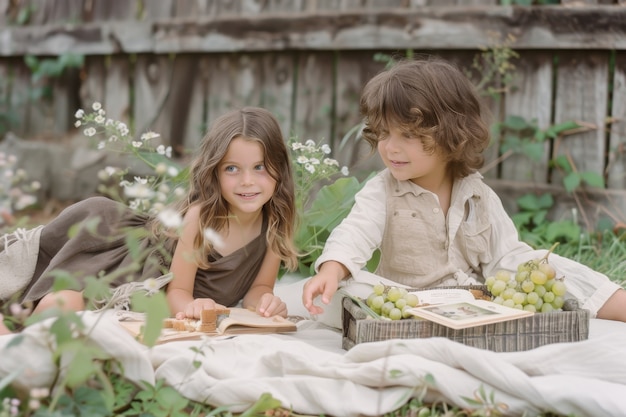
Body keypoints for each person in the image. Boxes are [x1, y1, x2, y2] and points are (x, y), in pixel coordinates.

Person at [302, 57, 626, 324]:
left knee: (547, 266)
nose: (391, 147)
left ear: (451, 134)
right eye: (384, 134)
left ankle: (615, 303)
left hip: (472, 302)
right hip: (406, 303)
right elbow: (356, 232)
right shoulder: (382, 190)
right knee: (353, 287)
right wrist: (333, 267)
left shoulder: (476, 193)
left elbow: (506, 255)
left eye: (408, 135)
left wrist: (538, 271)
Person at [0, 106, 299, 334]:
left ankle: (21, 347)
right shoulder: (202, 217)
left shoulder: (275, 222)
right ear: (215, 172)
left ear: (279, 168)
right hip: (128, 265)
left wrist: (265, 302)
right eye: (232, 169)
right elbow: (176, 293)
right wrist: (192, 305)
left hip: (142, 276)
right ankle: (17, 342)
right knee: (61, 301)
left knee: (67, 308)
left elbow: (259, 288)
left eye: (259, 167)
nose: (247, 181)